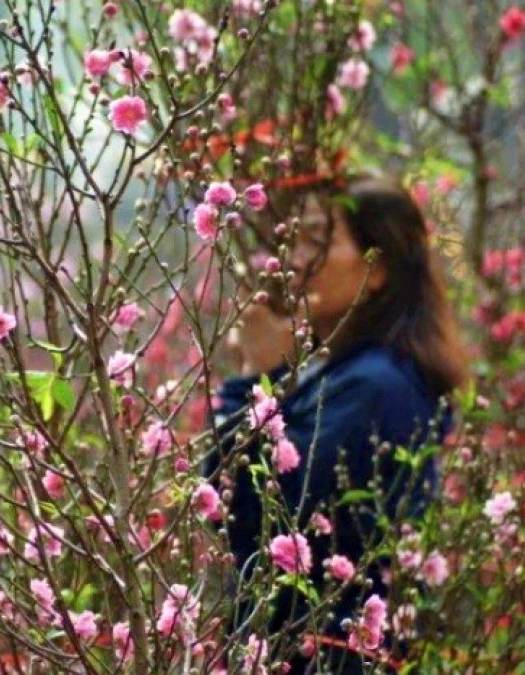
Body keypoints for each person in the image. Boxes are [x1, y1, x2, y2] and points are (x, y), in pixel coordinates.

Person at [208, 177, 468, 672]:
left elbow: (249, 516)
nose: (297, 257)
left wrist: (253, 379)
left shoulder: (375, 386)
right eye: (298, 236)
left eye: (319, 239)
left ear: (377, 269)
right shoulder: (339, 372)